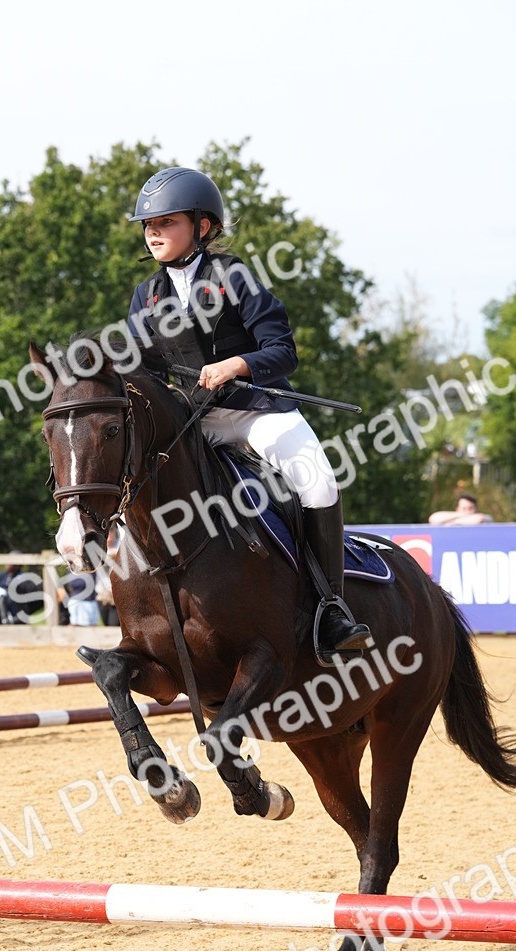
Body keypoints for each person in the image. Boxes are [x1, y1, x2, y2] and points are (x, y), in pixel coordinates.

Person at [126, 167, 371, 662]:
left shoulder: (234, 276)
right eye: (148, 224)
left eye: (166, 221)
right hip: (195, 423)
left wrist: (237, 364)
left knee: (318, 481)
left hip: (258, 410)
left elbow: (282, 350)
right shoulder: (146, 295)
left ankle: (330, 610)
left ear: (202, 226)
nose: (153, 231)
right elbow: (143, 365)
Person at [429, 493, 493, 527]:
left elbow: (478, 519)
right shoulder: (454, 517)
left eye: (470, 508)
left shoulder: (486, 518)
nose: (467, 511)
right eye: (464, 508)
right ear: (457, 509)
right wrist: (460, 516)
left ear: (476, 508)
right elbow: (433, 519)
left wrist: (452, 523)